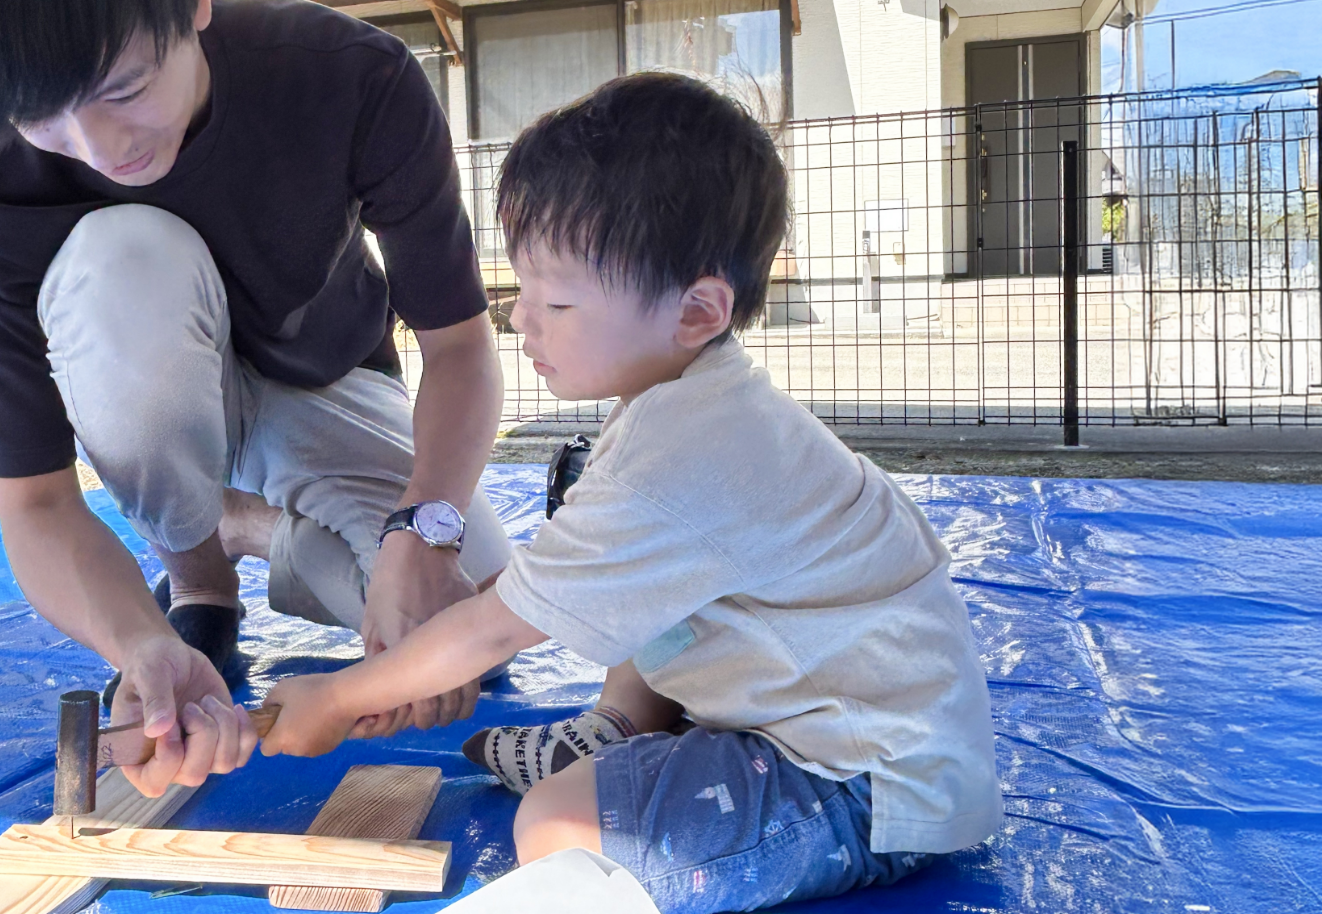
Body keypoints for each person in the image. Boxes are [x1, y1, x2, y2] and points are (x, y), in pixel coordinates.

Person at [259, 72, 1003, 913]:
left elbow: (506, 625)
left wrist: (340, 695)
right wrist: (431, 645)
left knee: (560, 828)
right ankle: (626, 727)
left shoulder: (690, 448)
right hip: (835, 719)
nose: (520, 320)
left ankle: (628, 744)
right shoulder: (682, 404)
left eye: (558, 300)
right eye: (522, 291)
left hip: (867, 782)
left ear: (696, 312)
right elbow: (548, 581)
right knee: (601, 529)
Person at [0, 0, 512, 798]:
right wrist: (138, 643)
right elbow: (35, 506)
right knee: (125, 256)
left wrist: (426, 531)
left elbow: (460, 347)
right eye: (39, 115)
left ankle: (247, 526)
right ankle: (198, 575)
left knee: (478, 621)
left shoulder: (345, 73)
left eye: (124, 89)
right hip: (153, 403)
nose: (100, 149)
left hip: (325, 384)